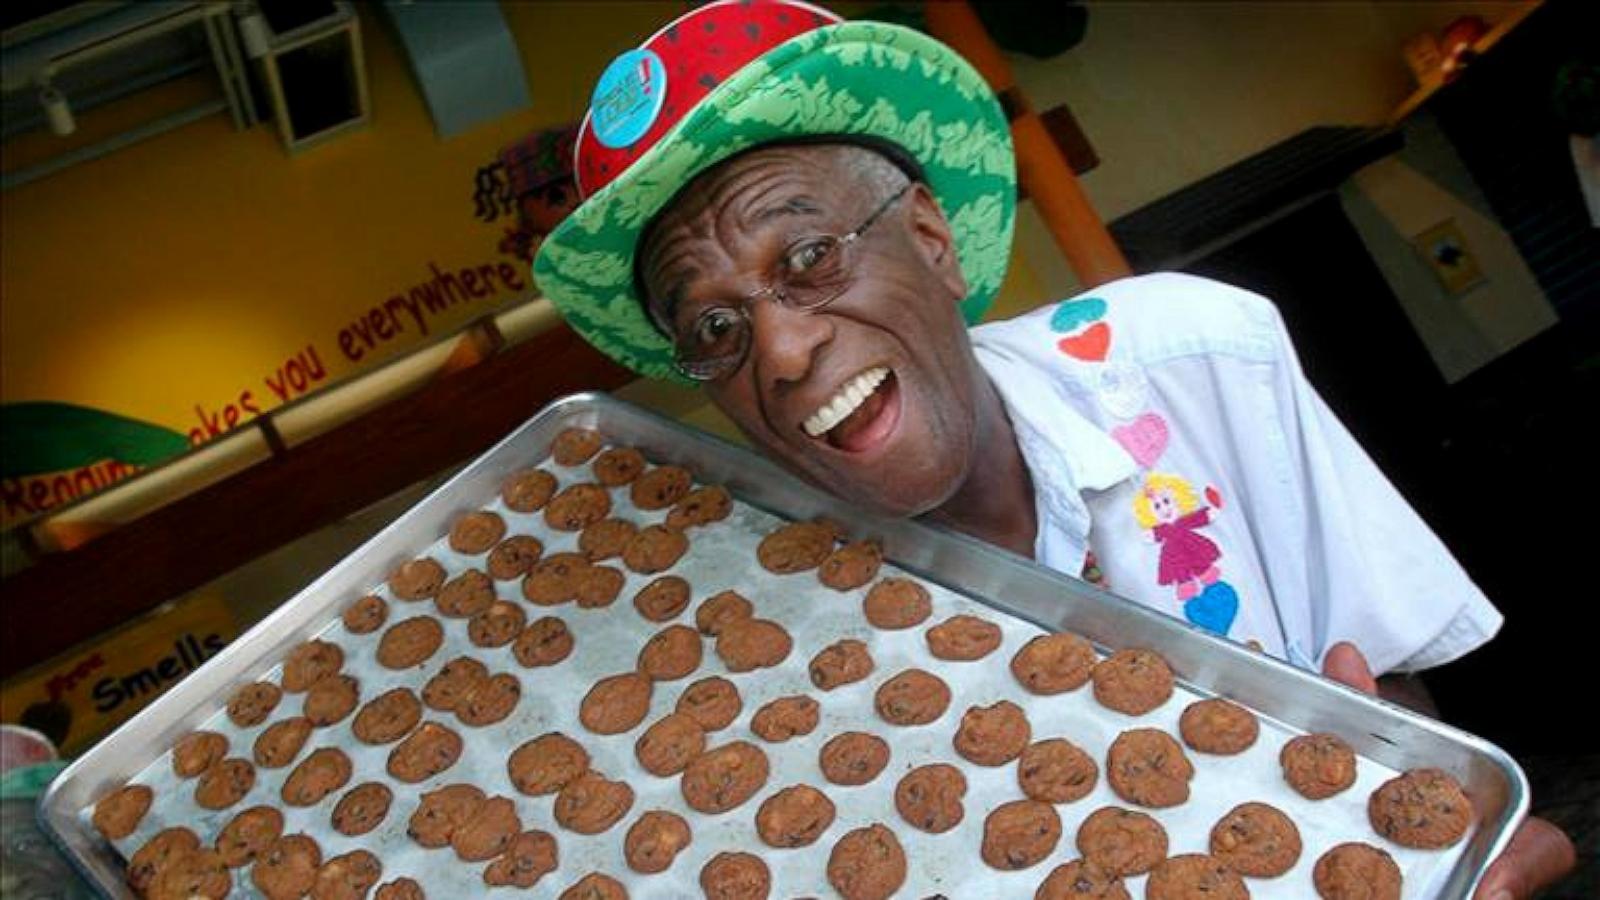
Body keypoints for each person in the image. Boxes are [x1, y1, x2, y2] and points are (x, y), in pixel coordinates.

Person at [533, 1, 1575, 894]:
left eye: (807, 256)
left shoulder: (1194, 354)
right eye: (714, 330)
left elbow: (1384, 687)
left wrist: (1447, 834)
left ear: (931, 240)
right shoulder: (762, 624)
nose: (784, 349)